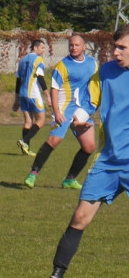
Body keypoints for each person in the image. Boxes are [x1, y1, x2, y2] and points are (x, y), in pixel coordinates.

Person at [26, 25, 129, 278]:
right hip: (108, 161)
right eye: (115, 46)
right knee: (80, 218)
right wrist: (82, 114)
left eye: (122, 48)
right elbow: (91, 98)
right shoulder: (105, 71)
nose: (115, 52)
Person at [24, 33, 98, 189]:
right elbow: (54, 89)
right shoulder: (63, 65)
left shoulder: (93, 64)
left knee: (89, 146)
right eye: (71, 45)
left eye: (77, 45)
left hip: (81, 109)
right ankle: (33, 174)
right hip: (64, 108)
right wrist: (57, 112)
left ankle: (70, 179)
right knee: (54, 141)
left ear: (84, 47)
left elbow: (96, 85)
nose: (73, 47)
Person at [14, 39, 50, 156]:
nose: (43, 50)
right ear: (35, 48)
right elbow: (40, 77)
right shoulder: (39, 60)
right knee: (41, 120)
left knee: (28, 122)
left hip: (23, 94)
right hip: (33, 94)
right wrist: (47, 95)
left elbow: (18, 81)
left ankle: (26, 150)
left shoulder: (22, 60)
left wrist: (16, 99)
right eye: (42, 48)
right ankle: (24, 141)